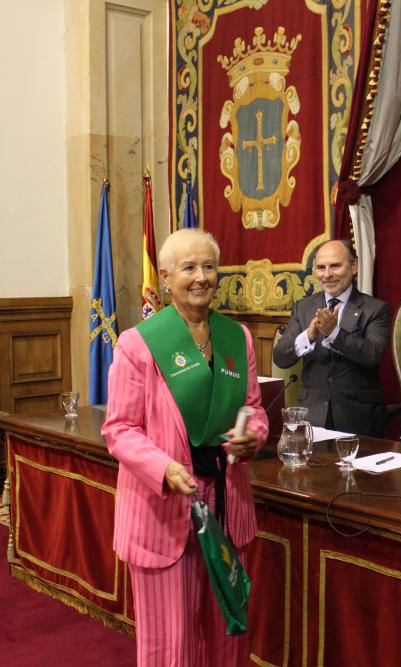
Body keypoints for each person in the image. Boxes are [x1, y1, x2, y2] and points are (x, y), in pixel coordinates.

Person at [102, 228, 269, 666]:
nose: (201, 277)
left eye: (209, 266)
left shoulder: (238, 338)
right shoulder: (138, 344)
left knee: (228, 637)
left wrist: (253, 436)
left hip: (226, 504)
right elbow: (119, 429)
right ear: (165, 276)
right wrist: (162, 468)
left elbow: (254, 407)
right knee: (169, 645)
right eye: (189, 267)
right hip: (164, 510)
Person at [272, 239, 391, 437]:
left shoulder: (375, 309)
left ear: (354, 266)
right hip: (312, 417)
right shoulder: (303, 308)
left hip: (359, 420)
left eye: (335, 266)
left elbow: (372, 354)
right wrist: (309, 336)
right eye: (321, 267)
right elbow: (281, 357)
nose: (327, 274)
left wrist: (334, 333)